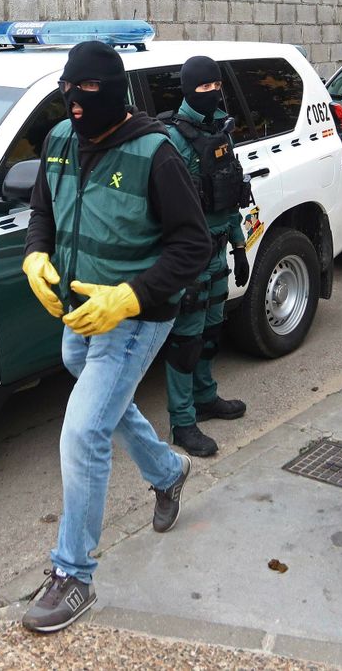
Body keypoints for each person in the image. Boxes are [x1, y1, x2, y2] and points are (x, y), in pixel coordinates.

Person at [19, 40, 211, 634]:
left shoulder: (158, 154)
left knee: (83, 431)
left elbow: (193, 246)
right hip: (81, 317)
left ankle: (73, 575)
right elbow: (43, 211)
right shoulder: (57, 142)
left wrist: (128, 298)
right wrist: (35, 256)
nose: (76, 105)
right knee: (99, 397)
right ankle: (167, 471)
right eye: (67, 94)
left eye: (88, 94)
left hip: (136, 318)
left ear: (115, 93)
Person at [160, 56, 250, 458]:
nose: (213, 93)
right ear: (188, 89)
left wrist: (240, 246)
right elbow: (166, 210)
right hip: (190, 259)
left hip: (219, 255)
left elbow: (229, 196)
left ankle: (205, 397)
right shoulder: (172, 141)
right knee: (186, 341)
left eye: (218, 86)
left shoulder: (221, 131)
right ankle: (182, 423)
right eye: (205, 88)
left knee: (211, 334)